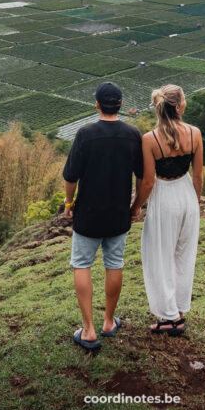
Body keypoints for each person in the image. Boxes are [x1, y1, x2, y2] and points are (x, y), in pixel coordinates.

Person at [63, 81, 143, 352]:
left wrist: (68, 202)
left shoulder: (85, 134)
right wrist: (136, 205)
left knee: (82, 264)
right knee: (114, 263)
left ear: (97, 104)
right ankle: (108, 321)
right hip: (118, 213)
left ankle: (88, 329)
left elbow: (70, 176)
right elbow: (144, 177)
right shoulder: (133, 135)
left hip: (88, 214)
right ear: (120, 104)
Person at [131, 83, 203, 336]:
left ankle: (169, 316)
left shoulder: (150, 140)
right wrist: (196, 201)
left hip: (164, 199)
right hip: (187, 198)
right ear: (180, 105)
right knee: (184, 256)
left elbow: (148, 182)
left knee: (159, 258)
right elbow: (197, 176)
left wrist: (135, 207)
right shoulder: (195, 133)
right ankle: (179, 312)